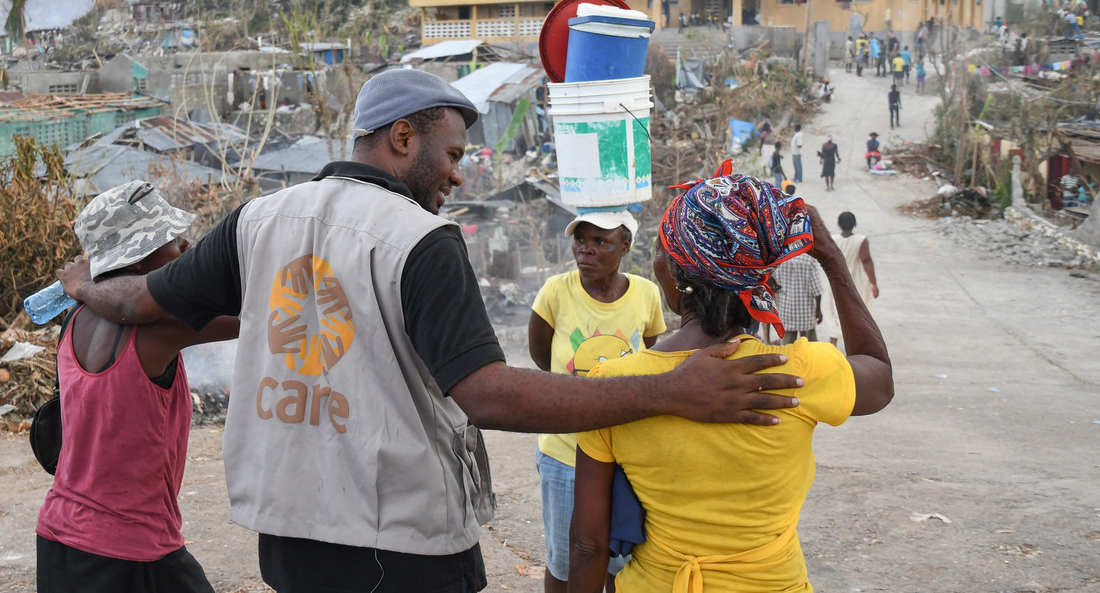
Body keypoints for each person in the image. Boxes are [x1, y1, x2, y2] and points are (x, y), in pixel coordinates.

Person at [56, 70, 803, 593]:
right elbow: (487, 395)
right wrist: (670, 387)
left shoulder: (257, 220)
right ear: (403, 138)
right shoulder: (419, 239)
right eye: (451, 156)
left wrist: (85, 286)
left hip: (287, 536)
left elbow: (142, 299)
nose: (459, 178)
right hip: (396, 544)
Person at [568, 177, 893, 593]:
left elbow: (588, 545)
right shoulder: (799, 370)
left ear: (671, 270)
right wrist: (829, 258)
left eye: (658, 251)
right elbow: (879, 377)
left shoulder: (613, 385)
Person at [37, 181, 239, 593]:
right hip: (131, 547)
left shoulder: (73, 321)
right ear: (133, 263)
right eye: (168, 240)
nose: (185, 247)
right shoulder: (160, 330)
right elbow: (252, 315)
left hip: (58, 535)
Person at [528, 211, 666, 593]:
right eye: (580, 240)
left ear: (625, 246)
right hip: (565, 453)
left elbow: (651, 358)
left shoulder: (646, 293)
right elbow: (541, 356)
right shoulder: (556, 291)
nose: (585, 251)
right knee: (566, 559)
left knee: (620, 560)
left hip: (626, 454)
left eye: (600, 242)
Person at [826, 211, 879, 345]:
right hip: (855, 282)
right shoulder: (861, 240)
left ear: (839, 224)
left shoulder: (833, 239)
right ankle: (857, 345)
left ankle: (833, 345)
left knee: (837, 311)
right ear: (854, 224)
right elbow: (866, 260)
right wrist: (873, 283)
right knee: (856, 313)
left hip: (837, 281)